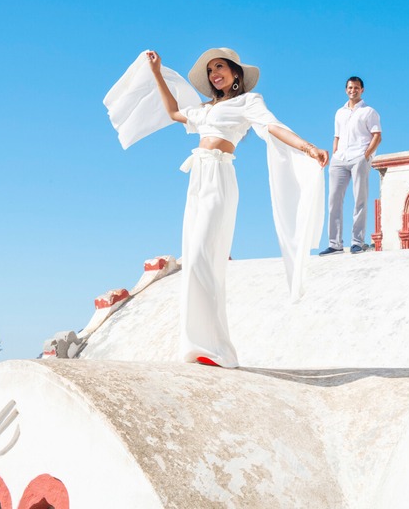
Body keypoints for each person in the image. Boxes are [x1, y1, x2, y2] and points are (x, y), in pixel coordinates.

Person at [142, 48, 329, 369]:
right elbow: (174, 113)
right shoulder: (204, 109)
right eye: (211, 70)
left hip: (220, 177)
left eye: (220, 67)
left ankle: (217, 349)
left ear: (236, 74)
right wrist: (157, 74)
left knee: (204, 254)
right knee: (193, 256)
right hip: (197, 178)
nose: (215, 74)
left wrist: (307, 146)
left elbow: (272, 127)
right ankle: (197, 347)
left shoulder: (249, 102)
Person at [318, 76, 382, 256]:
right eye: (350, 88)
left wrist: (366, 155)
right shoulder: (339, 112)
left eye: (356, 88)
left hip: (359, 156)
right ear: (346, 90)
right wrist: (335, 153)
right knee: (333, 200)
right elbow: (336, 136)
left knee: (360, 198)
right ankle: (335, 244)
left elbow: (377, 136)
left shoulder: (369, 112)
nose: (352, 90)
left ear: (362, 90)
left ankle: (357, 242)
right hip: (340, 159)